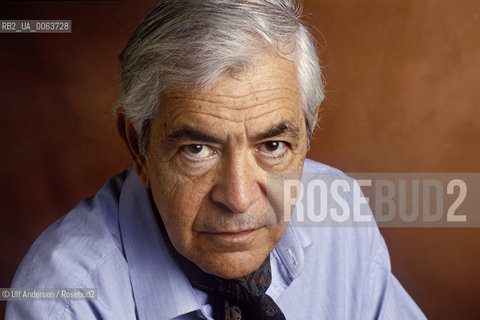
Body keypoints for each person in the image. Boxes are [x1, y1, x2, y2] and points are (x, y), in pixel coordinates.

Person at [6, 1, 426, 319]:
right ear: (139, 146)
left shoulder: (342, 214)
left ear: (307, 134)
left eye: (273, 146)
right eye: (197, 150)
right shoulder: (65, 300)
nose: (240, 199)